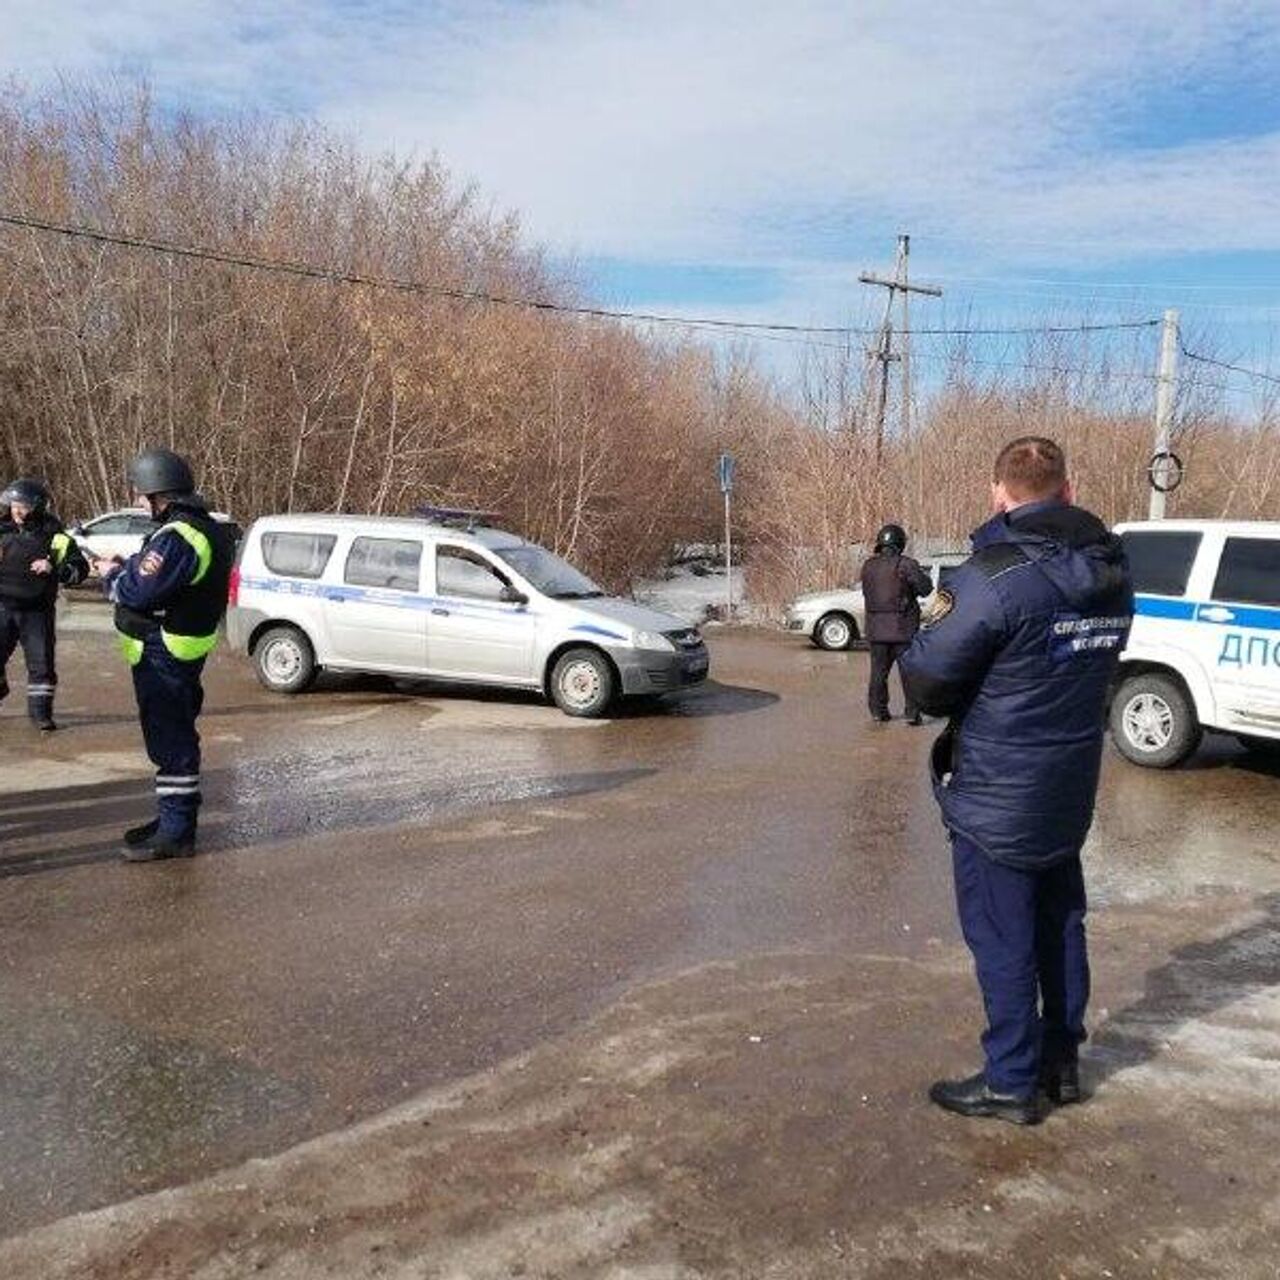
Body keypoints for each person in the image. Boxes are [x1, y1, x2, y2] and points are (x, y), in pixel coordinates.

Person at [900, 437, 1132, 1125]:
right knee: (1060, 923)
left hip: (999, 791)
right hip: (1068, 783)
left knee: (1004, 938)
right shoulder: (1113, 570)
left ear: (998, 493)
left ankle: (1009, 1080)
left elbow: (926, 679)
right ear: (1068, 489)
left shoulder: (991, 576)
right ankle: (1061, 1064)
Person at [93, 448, 235, 862]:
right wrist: (131, 565)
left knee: (170, 742)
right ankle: (171, 821)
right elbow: (160, 577)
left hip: (164, 652)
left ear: (160, 493)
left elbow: (140, 590)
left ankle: (176, 831)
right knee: (172, 737)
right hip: (178, 648)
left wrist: (113, 576)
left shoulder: (178, 536)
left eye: (142, 494)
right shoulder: (198, 529)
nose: (139, 501)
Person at [0, 477, 89, 730]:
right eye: (14, 504)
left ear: (37, 507)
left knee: (41, 664)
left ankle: (41, 715)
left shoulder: (55, 537)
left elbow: (78, 570)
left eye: (23, 505)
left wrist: (54, 568)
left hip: (37, 611)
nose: (17, 510)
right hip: (2, 606)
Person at [860, 522, 932, 724]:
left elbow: (868, 594)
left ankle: (878, 711)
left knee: (878, 673)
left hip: (876, 631)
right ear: (900, 544)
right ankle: (912, 713)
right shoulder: (906, 564)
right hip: (903, 630)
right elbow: (925, 588)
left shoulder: (868, 566)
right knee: (910, 673)